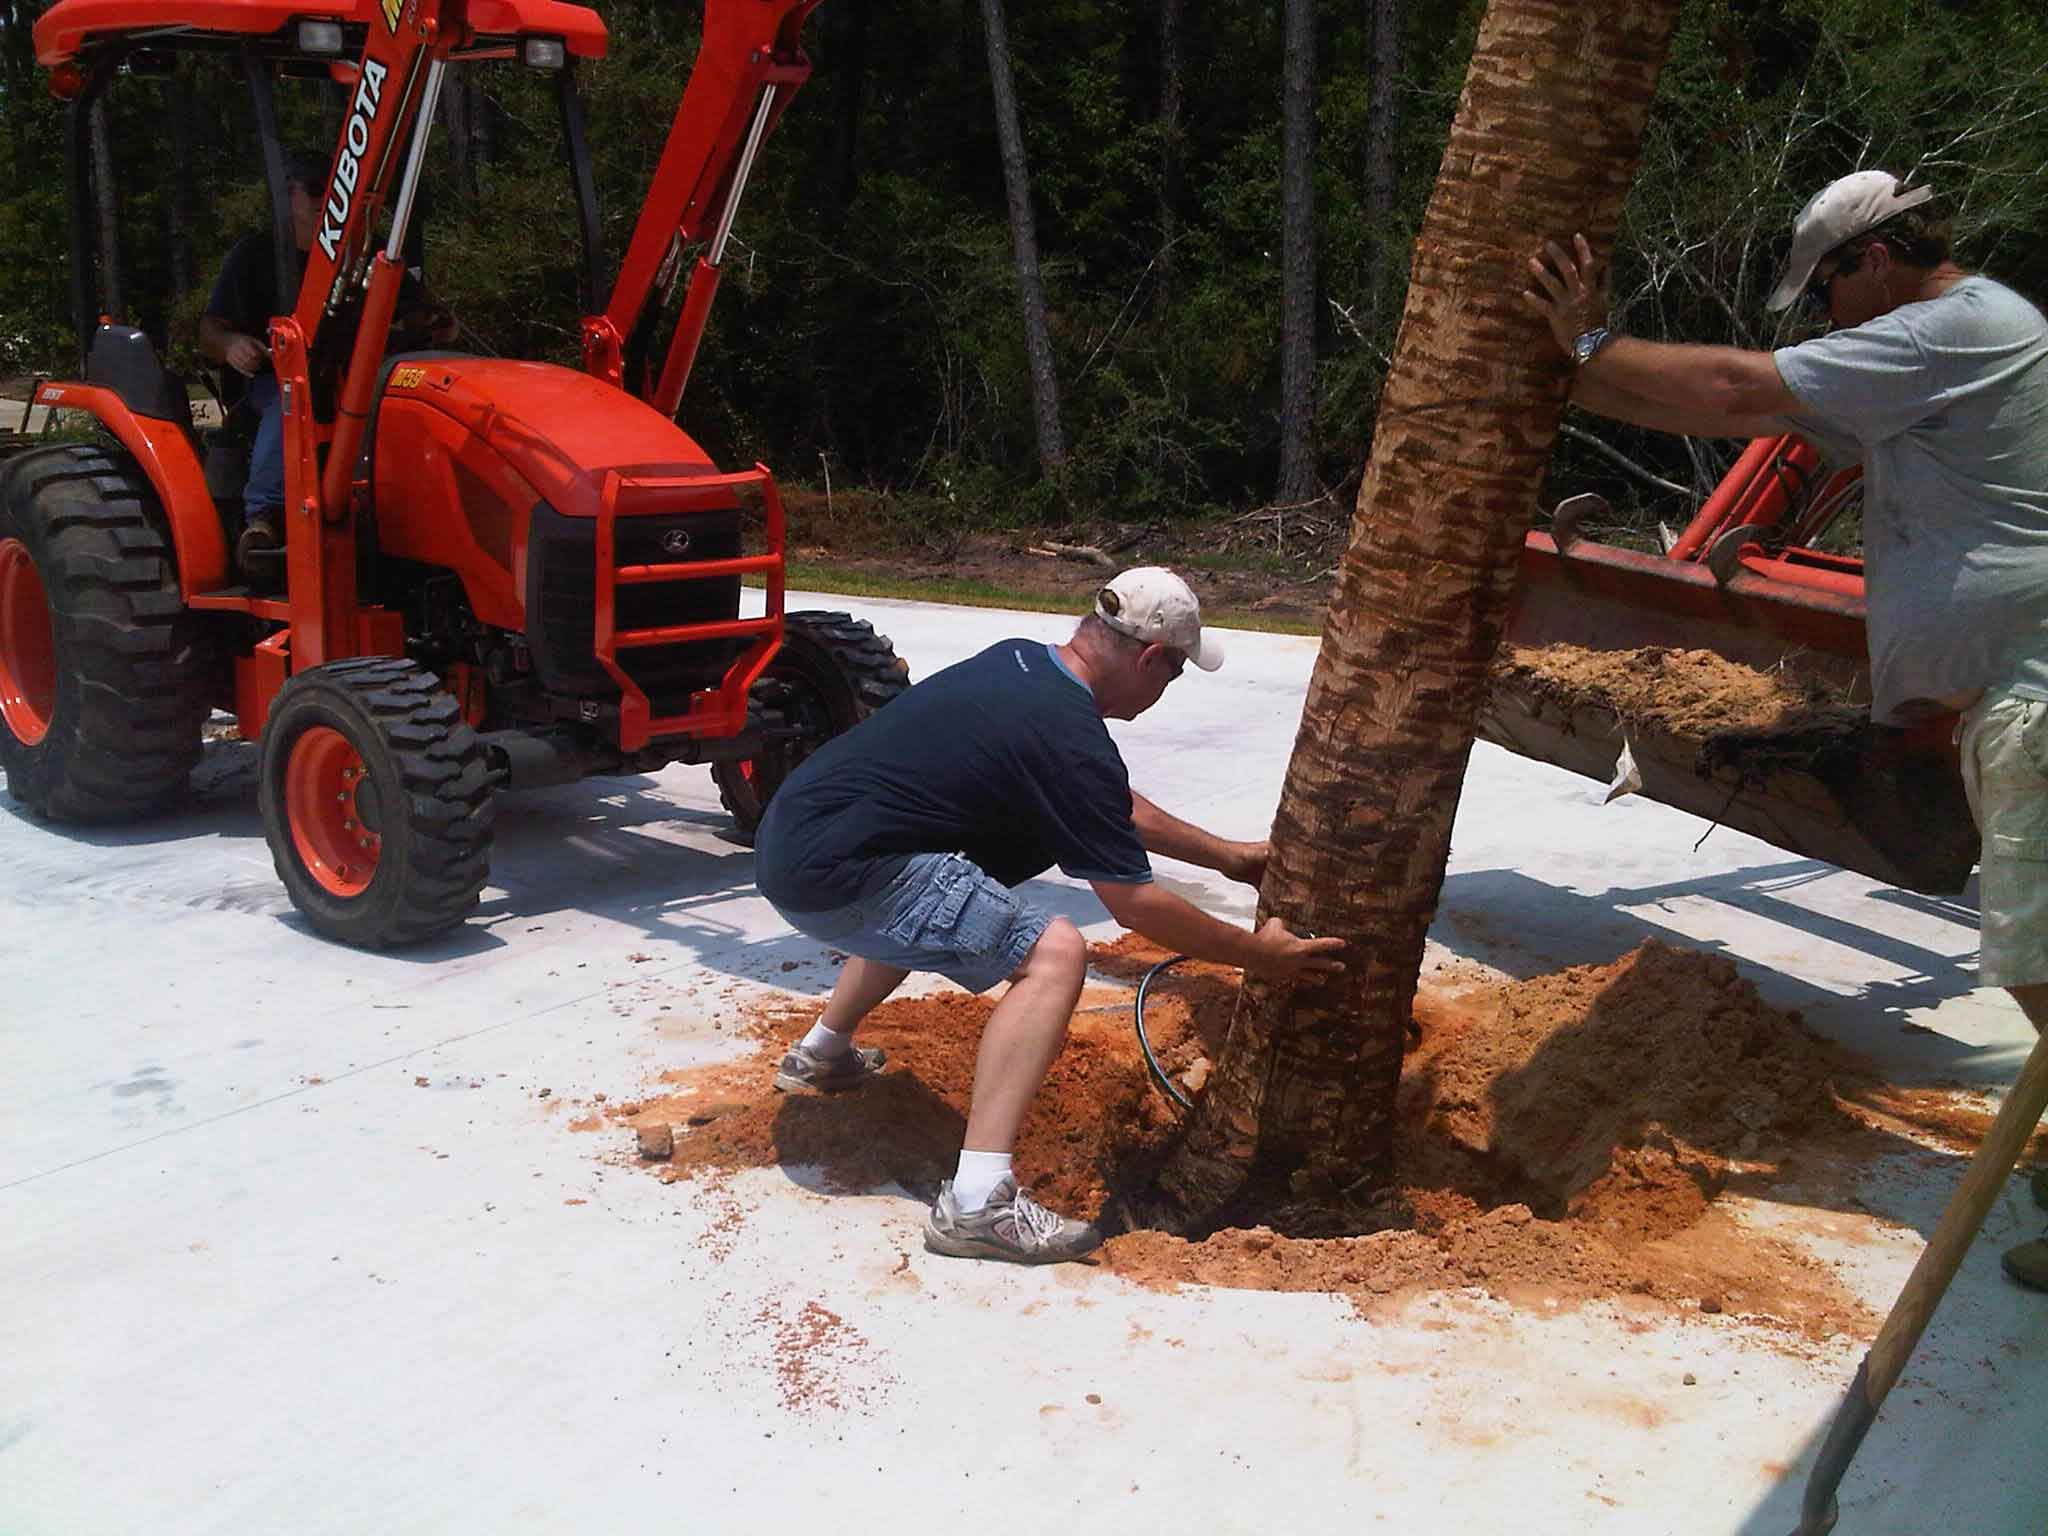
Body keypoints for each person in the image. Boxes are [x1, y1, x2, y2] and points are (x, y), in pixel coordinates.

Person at [1523, 170, 2048, 1290]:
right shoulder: (1954, 349)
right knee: (2031, 949)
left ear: (1869, 258)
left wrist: (1584, 349)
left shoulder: (1947, 328)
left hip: (2031, 696)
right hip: (2005, 691)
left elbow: (1729, 384)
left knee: (2036, 957)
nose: (1823, 320)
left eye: (1824, 294)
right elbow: (1768, 411)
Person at [752, 567, 1348, 1265]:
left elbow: (1110, 802)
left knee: (940, 888)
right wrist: (1261, 955)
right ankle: (977, 1206)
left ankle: (823, 1052)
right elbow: (1135, 903)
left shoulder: (1021, 663)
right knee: (1054, 952)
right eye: (1175, 674)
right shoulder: (1068, 734)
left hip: (794, 842)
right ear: (1151, 658)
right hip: (842, 874)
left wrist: (1227, 858)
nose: (1166, 691)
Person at [199, 149, 456, 579]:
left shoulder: (370, 255)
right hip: (278, 381)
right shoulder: (256, 254)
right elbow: (210, 329)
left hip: (357, 382)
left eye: (336, 190)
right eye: (316, 189)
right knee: (291, 404)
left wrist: (435, 324)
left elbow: (419, 310)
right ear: (290, 196)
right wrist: (231, 345)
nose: (326, 200)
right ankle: (265, 520)